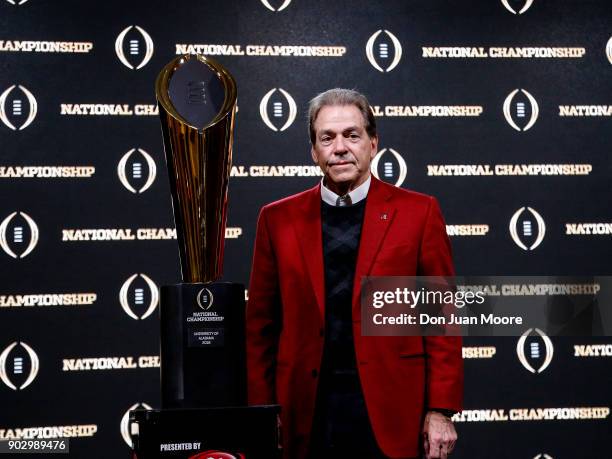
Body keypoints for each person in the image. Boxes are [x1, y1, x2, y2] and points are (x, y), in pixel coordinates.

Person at [246, 88, 463, 459]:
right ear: (313, 151)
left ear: (373, 143)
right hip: (305, 410)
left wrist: (440, 410)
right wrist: (262, 413)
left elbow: (442, 319)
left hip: (392, 410)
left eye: (352, 134)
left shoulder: (419, 213)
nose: (340, 147)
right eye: (327, 138)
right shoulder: (276, 219)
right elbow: (260, 328)